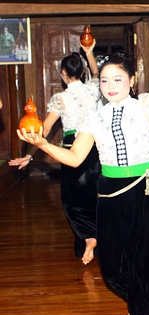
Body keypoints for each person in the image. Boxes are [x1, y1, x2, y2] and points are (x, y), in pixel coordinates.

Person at [17, 13, 149, 315]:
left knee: (147, 261)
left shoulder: (147, 106)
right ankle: (135, 299)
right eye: (105, 80)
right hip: (109, 194)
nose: (109, 85)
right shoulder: (94, 116)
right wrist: (44, 145)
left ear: (132, 80)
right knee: (113, 267)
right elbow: (76, 158)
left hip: (144, 190)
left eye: (117, 79)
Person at [9, 41, 100, 265]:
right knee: (95, 196)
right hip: (96, 148)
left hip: (71, 149)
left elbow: (45, 129)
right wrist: (89, 52)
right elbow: (97, 73)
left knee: (72, 200)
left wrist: (30, 155)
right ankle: (97, 235)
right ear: (83, 71)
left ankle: (88, 237)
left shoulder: (61, 98)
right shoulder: (95, 88)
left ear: (62, 74)